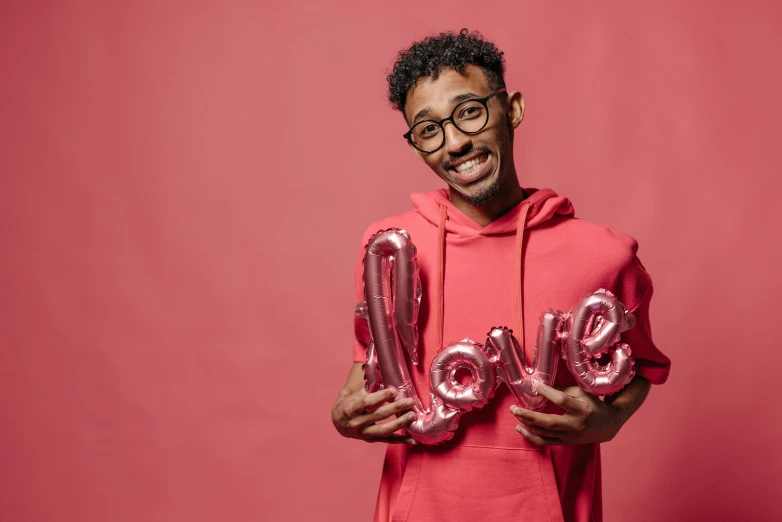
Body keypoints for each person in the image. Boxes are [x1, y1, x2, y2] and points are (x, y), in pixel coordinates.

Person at [331, 29, 671, 522]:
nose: (454, 143)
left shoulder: (604, 254)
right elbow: (373, 365)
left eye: (469, 111)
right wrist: (344, 415)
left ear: (511, 108)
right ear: (415, 145)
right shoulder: (387, 247)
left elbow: (640, 367)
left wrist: (610, 418)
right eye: (428, 129)